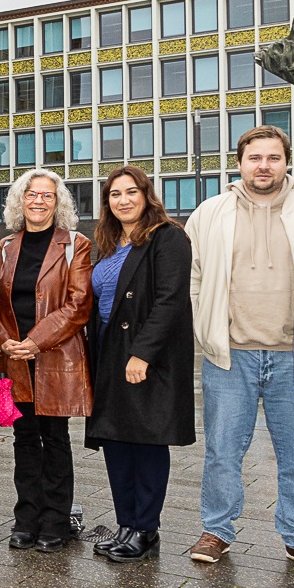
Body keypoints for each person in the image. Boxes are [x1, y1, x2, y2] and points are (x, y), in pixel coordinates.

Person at [185, 126, 294, 574]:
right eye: (255, 158)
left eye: (273, 157)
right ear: (240, 163)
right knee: (223, 452)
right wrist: (206, 329)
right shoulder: (210, 212)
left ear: (288, 161)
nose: (263, 166)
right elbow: (192, 277)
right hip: (230, 355)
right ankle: (217, 530)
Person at [85, 165, 194, 564]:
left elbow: (171, 300)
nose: (124, 200)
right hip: (109, 350)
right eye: (115, 194)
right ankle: (126, 524)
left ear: (147, 195)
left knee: (146, 440)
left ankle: (146, 528)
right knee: (116, 439)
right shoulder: (110, 243)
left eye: (132, 192)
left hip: (147, 355)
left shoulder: (168, 238)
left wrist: (142, 353)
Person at [0, 168, 92, 553]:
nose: (38, 201)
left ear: (58, 202)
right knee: (24, 439)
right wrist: (8, 343)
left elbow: (78, 305)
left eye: (47, 195)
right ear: (20, 200)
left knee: (56, 439)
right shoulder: (5, 248)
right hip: (16, 360)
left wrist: (34, 341)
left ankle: (56, 521)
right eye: (31, 194)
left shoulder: (74, 245)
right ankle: (25, 520)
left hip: (54, 357)